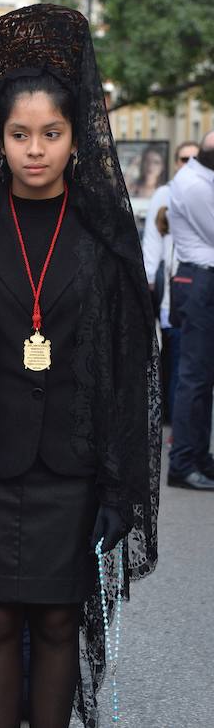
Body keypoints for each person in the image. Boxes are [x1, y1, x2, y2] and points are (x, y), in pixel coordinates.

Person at [0, 4, 161, 728]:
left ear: (77, 137)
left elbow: (129, 368)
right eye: (20, 134)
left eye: (52, 133)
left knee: (54, 625)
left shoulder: (105, 234)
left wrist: (122, 483)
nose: (35, 150)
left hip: (72, 470)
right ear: (0, 136)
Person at [167, 130, 214, 490]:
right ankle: (183, 463)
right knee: (195, 378)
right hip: (199, 280)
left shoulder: (202, 178)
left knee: (202, 378)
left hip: (200, 279)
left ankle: (197, 456)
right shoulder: (196, 185)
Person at [141, 141, 199, 423]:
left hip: (199, 285)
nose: (188, 163)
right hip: (172, 289)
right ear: (175, 162)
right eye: (183, 158)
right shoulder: (165, 193)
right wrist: (149, 279)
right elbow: (153, 241)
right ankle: (170, 416)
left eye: (194, 158)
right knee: (173, 354)